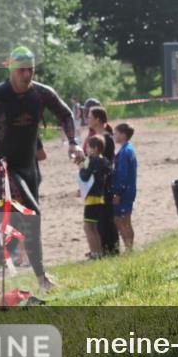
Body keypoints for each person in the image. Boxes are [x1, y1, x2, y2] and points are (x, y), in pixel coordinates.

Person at [0, 45, 83, 295]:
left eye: (31, 70)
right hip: (1, 167)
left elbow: (66, 115)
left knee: (19, 221)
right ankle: (42, 278)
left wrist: (74, 143)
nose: (27, 75)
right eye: (22, 71)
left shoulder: (41, 94)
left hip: (28, 167)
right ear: (11, 70)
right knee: (32, 214)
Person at [86, 107, 119, 255]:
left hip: (104, 184)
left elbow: (106, 163)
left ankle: (110, 249)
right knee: (98, 218)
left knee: (105, 216)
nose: (87, 119)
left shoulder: (106, 138)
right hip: (96, 184)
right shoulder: (98, 137)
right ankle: (101, 248)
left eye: (90, 116)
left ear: (98, 119)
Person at [79, 135, 112, 259]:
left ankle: (95, 253)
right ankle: (98, 253)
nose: (86, 149)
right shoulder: (104, 160)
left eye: (88, 147)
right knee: (94, 227)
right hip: (100, 197)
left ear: (95, 148)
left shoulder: (93, 160)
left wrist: (81, 168)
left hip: (92, 198)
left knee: (88, 227)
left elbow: (85, 177)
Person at [112, 123, 138, 250]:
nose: (114, 136)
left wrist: (117, 193)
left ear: (123, 134)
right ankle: (129, 248)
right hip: (129, 190)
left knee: (123, 221)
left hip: (125, 192)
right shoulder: (129, 149)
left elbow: (122, 175)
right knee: (125, 221)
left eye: (115, 133)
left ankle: (129, 248)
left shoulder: (124, 152)